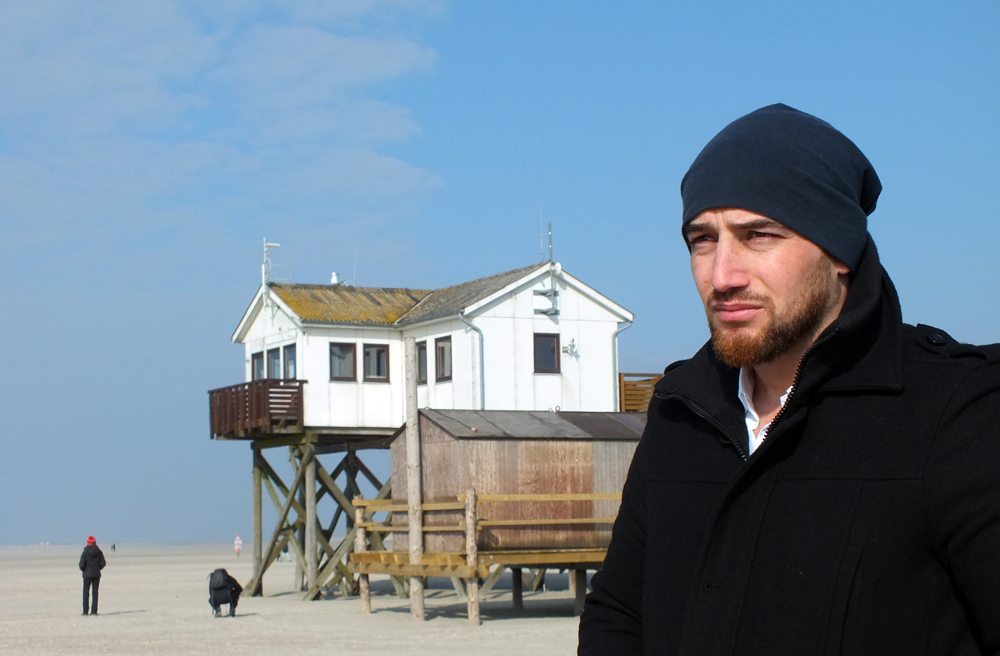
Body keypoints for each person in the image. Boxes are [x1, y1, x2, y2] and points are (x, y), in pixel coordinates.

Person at [579, 104, 1000, 655]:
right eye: (702, 239)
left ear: (840, 251)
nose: (722, 275)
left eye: (759, 235)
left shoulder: (957, 410)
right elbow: (619, 615)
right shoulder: (680, 411)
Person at [79, 535, 106, 616]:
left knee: (86, 593)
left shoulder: (85, 552)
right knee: (95, 593)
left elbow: (81, 565)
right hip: (96, 574)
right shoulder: (99, 552)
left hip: (87, 575)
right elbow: (103, 563)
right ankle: (94, 611)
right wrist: (98, 568)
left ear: (87, 543)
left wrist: (85, 569)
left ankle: (85, 611)